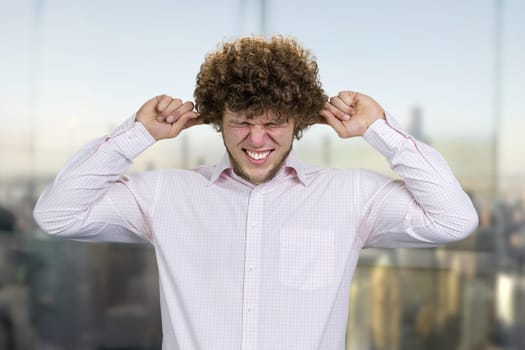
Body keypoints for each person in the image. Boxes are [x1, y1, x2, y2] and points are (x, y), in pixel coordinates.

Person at [33, 36, 478, 349]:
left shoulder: (350, 195)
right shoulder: (167, 194)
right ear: (217, 121)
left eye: (274, 122)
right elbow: (58, 215)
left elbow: (454, 219)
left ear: (301, 121)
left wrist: (380, 131)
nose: (257, 139)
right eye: (242, 120)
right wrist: (137, 135)